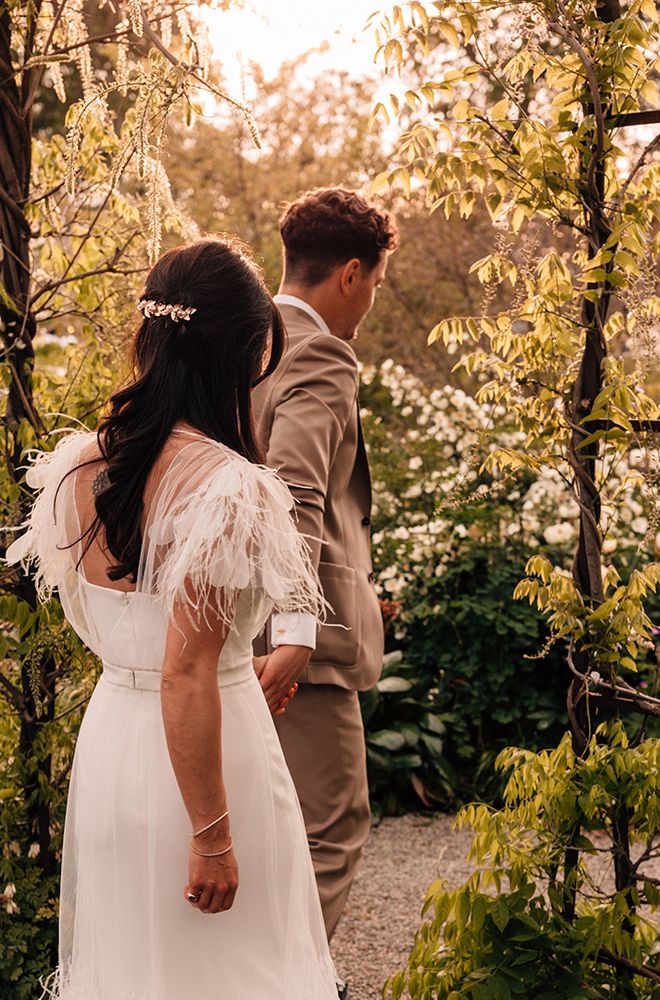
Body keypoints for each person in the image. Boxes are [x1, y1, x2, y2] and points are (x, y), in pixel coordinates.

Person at [6, 238, 339, 999]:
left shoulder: (77, 468)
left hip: (115, 748)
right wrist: (213, 835)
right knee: (235, 973)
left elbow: (117, 625)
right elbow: (185, 668)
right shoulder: (226, 487)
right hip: (207, 763)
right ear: (239, 357)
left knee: (134, 973)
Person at [252, 188, 397, 947]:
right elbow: (296, 491)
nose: (370, 300)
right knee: (332, 828)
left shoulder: (238, 342)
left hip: (225, 625)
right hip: (296, 650)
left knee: (255, 822)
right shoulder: (318, 353)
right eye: (374, 282)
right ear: (350, 273)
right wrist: (296, 627)